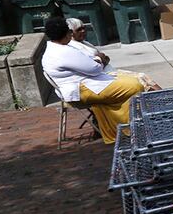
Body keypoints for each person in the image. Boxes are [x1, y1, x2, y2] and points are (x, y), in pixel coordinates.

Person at [41, 16, 153, 144]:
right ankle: (130, 129)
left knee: (131, 80)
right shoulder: (62, 52)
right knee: (135, 86)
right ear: (66, 34)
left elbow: (88, 64)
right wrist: (99, 58)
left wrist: (95, 60)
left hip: (86, 84)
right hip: (82, 90)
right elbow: (94, 68)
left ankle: (123, 129)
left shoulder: (56, 49)